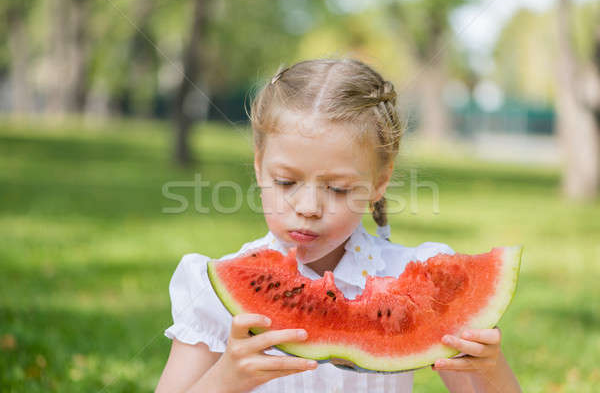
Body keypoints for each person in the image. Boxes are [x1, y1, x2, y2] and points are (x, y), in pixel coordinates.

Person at [155, 59, 522, 393]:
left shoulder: (419, 279)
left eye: (337, 188)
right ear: (259, 167)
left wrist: (490, 370)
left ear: (379, 182)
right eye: (285, 182)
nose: (308, 207)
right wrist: (227, 378)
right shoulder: (209, 289)